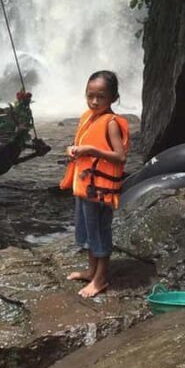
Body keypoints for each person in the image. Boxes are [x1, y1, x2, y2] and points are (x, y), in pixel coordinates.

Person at [59, 70, 130, 298]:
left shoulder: (111, 123)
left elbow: (120, 157)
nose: (95, 101)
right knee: (89, 232)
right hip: (85, 187)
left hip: (100, 192)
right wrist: (72, 150)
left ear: (113, 97)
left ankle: (100, 279)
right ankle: (91, 271)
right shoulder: (87, 117)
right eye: (90, 96)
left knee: (100, 232)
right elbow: (79, 143)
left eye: (101, 96)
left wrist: (91, 151)